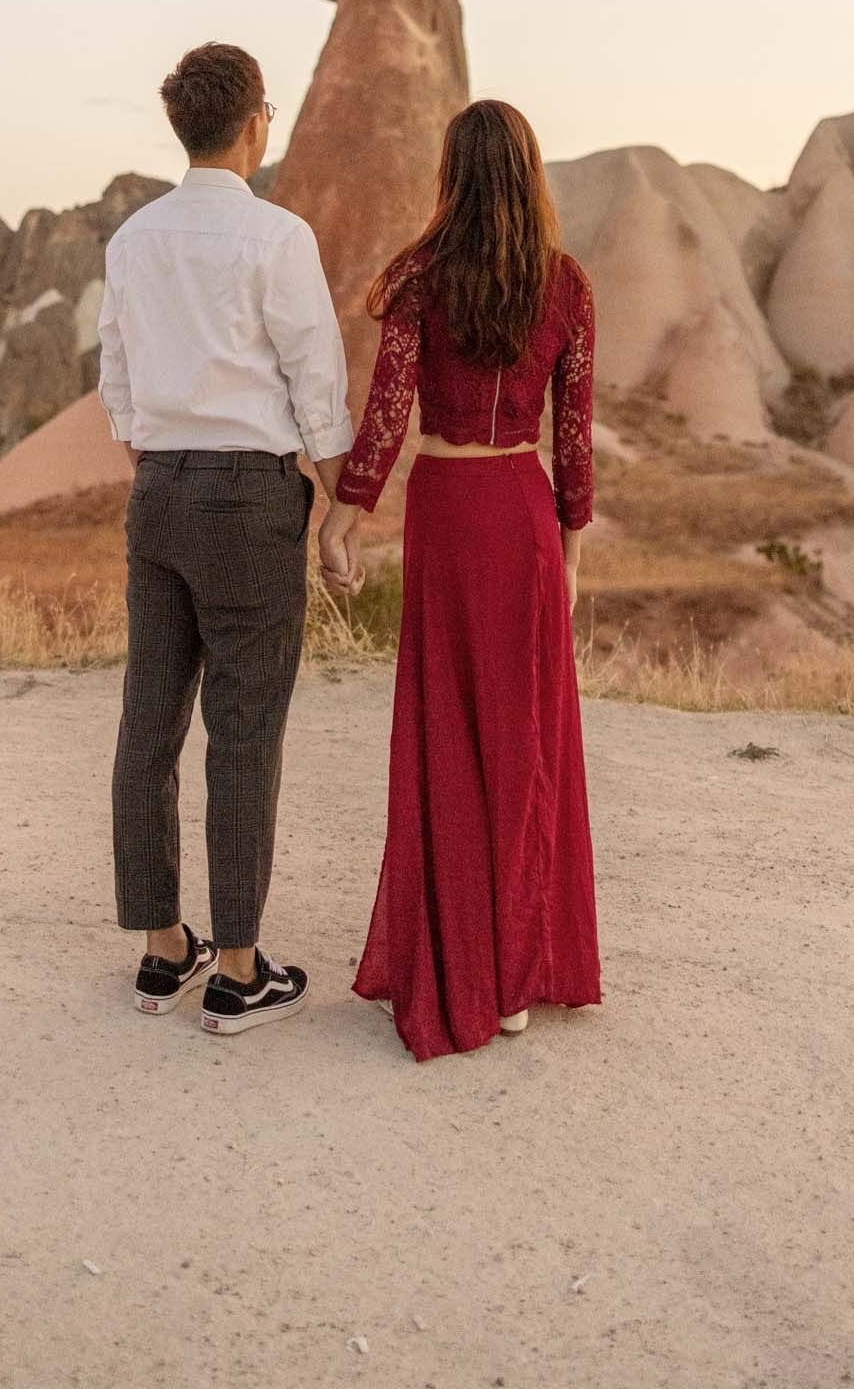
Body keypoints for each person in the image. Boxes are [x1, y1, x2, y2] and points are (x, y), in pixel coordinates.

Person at [320, 99, 601, 1062]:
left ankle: (462, 974)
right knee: (523, 747)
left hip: (447, 511)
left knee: (450, 738)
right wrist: (567, 559)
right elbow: (573, 442)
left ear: (452, 175)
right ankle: (516, 982)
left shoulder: (417, 280)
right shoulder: (564, 287)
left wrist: (342, 518)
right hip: (521, 514)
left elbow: (389, 411)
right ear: (528, 173)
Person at [99, 41, 353, 1037]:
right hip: (250, 498)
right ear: (256, 123)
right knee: (244, 730)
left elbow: (116, 374)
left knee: (148, 719)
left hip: (157, 489)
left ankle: (164, 949)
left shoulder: (133, 240)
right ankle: (241, 971)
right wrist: (338, 503)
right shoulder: (277, 237)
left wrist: (161, 461)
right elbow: (313, 378)